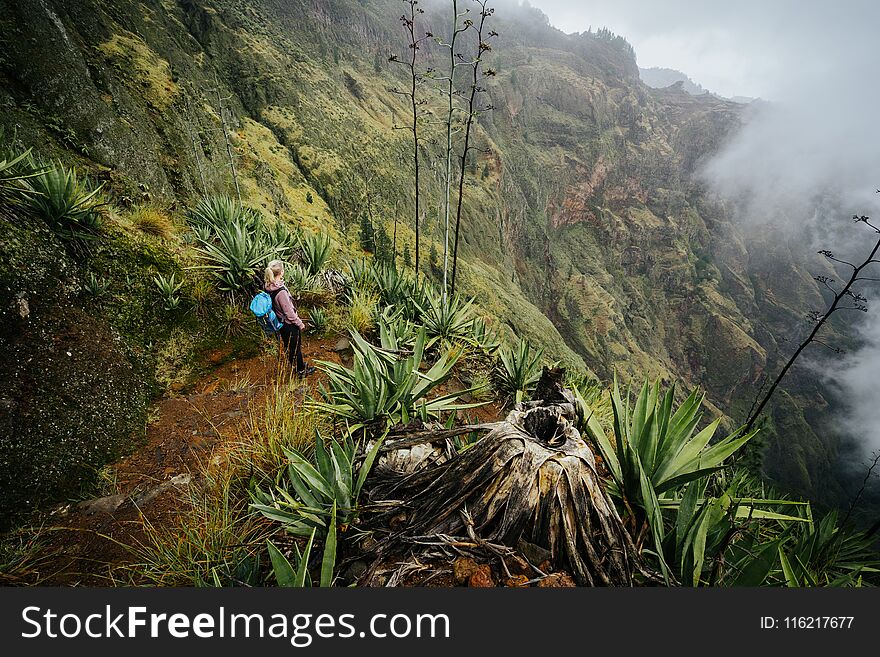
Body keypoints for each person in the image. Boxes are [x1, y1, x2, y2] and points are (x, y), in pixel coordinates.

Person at [263, 260, 314, 377]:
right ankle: (301, 371)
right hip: (288, 324)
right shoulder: (280, 292)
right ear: (281, 272)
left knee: (289, 346)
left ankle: (297, 365)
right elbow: (289, 313)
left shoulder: (268, 286)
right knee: (295, 347)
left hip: (280, 322)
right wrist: (299, 323)